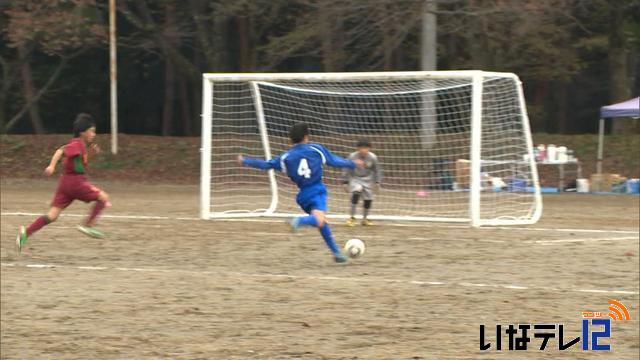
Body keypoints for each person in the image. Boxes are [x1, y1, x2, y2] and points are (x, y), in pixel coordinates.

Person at [237, 123, 363, 263]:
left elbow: (267, 165)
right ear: (306, 137)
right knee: (319, 220)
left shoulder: (286, 157)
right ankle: (299, 221)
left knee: (321, 222)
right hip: (317, 190)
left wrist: (246, 161)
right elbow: (334, 161)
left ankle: (337, 253)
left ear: (290, 140)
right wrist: (352, 164)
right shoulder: (316, 149)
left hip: (303, 196)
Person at [16, 113, 111, 253]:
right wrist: (52, 166)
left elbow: (79, 163)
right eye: (91, 130)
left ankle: (26, 233)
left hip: (65, 183)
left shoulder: (81, 146)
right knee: (103, 197)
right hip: (76, 182)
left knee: (52, 216)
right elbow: (61, 151)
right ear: (82, 132)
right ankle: (88, 225)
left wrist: (91, 154)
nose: (93, 134)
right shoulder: (77, 143)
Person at [343, 139, 382, 226]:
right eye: (361, 148)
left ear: (369, 149)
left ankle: (365, 219)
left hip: (368, 180)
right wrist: (345, 182)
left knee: (368, 199)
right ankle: (352, 217)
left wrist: (377, 182)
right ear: (358, 149)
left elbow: (377, 170)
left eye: (366, 148)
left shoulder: (373, 157)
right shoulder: (352, 156)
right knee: (356, 192)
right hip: (355, 178)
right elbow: (346, 168)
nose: (363, 150)